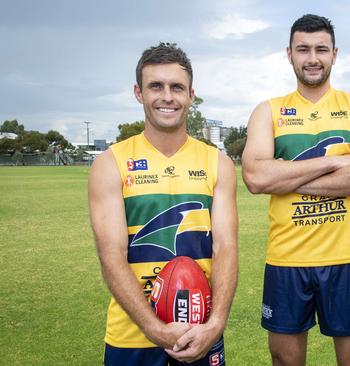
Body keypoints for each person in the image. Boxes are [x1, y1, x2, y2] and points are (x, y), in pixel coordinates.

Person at [242, 14, 350, 366]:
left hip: (347, 260)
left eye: (321, 49)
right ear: (288, 54)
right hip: (287, 260)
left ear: (335, 54)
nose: (312, 58)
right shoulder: (268, 111)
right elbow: (256, 177)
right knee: (285, 362)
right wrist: (334, 162)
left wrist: (287, 177)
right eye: (302, 49)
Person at [89, 42, 238, 366]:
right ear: (138, 92)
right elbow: (111, 256)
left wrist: (215, 324)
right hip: (131, 336)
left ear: (191, 95)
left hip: (200, 330)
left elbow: (225, 247)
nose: (167, 96)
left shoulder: (218, 163)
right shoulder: (110, 163)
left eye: (177, 87)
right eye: (156, 86)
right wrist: (155, 329)